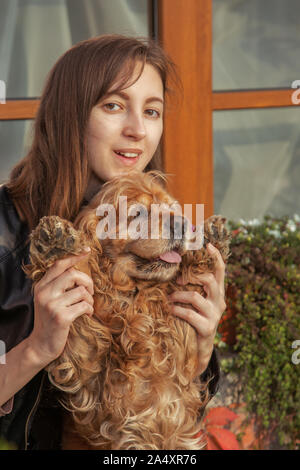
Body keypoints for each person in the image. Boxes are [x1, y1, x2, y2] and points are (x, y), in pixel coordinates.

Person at [0, 34, 226, 450]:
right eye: (114, 105)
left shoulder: (163, 235)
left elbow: (177, 412)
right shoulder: (6, 232)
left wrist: (201, 344)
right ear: (70, 114)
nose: (138, 130)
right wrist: (38, 348)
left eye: (152, 111)